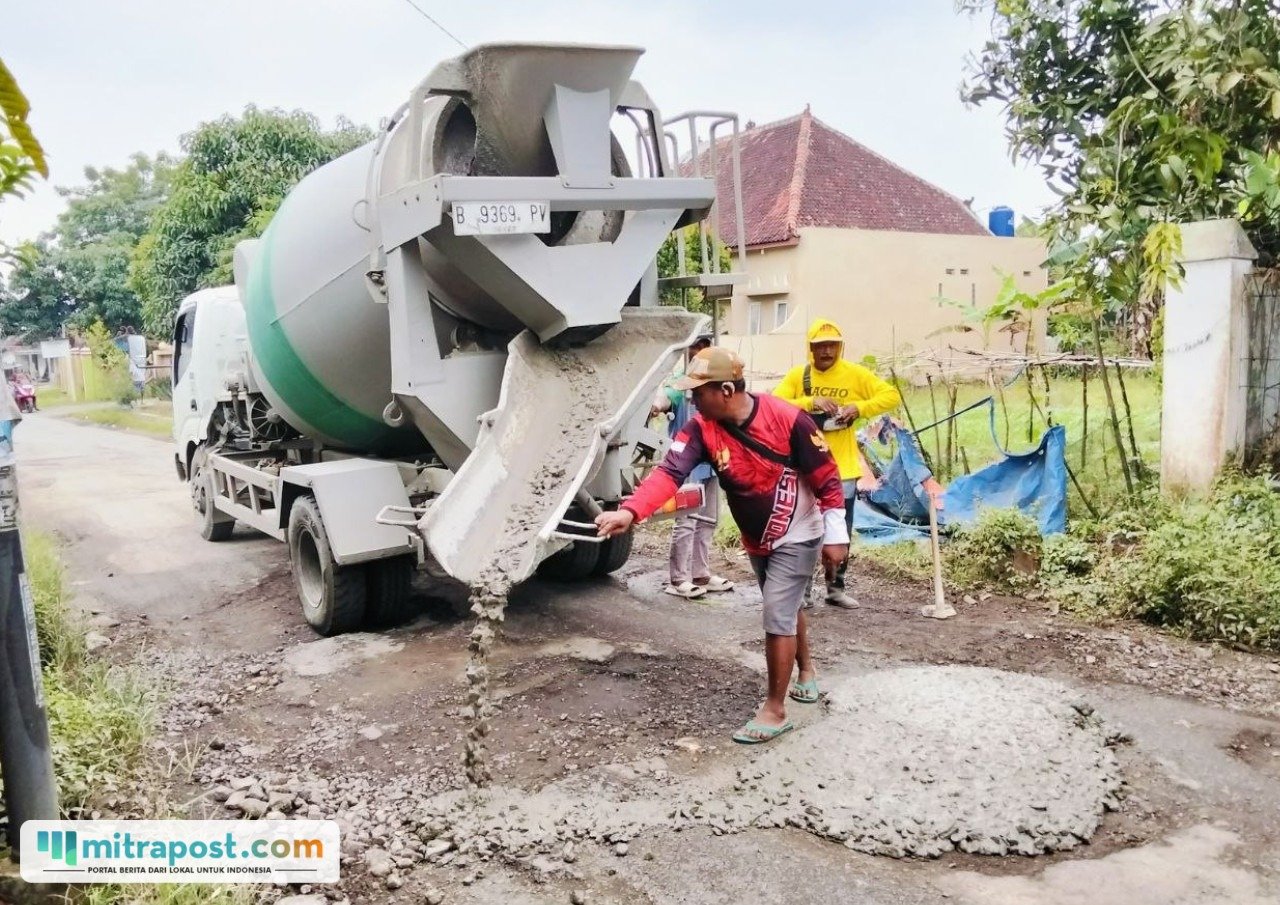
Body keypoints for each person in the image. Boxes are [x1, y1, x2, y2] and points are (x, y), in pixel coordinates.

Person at [597, 347, 849, 745]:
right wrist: (630, 512)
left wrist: (837, 537)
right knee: (787, 604)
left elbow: (828, 478)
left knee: (776, 610)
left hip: (798, 530)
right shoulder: (700, 429)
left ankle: (775, 709)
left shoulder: (789, 420)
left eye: (699, 393)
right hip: (757, 537)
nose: (693, 402)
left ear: (727, 390)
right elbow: (669, 473)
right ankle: (806, 671)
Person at [774, 318, 901, 608]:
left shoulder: (855, 374)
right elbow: (774, 402)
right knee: (802, 530)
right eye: (821, 346)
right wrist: (810, 402)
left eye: (832, 345)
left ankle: (835, 588)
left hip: (841, 468)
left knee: (840, 529)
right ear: (811, 349)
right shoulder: (798, 376)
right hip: (804, 466)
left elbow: (890, 394)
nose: (827, 351)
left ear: (840, 347)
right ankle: (802, 591)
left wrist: (860, 407)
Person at [651, 334, 734, 599]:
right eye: (694, 350)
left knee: (709, 518)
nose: (698, 355)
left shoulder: (718, 389)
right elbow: (664, 399)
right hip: (686, 468)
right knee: (685, 522)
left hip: (711, 466)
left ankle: (701, 573)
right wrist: (655, 405)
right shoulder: (680, 388)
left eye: (703, 350)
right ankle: (678, 579)